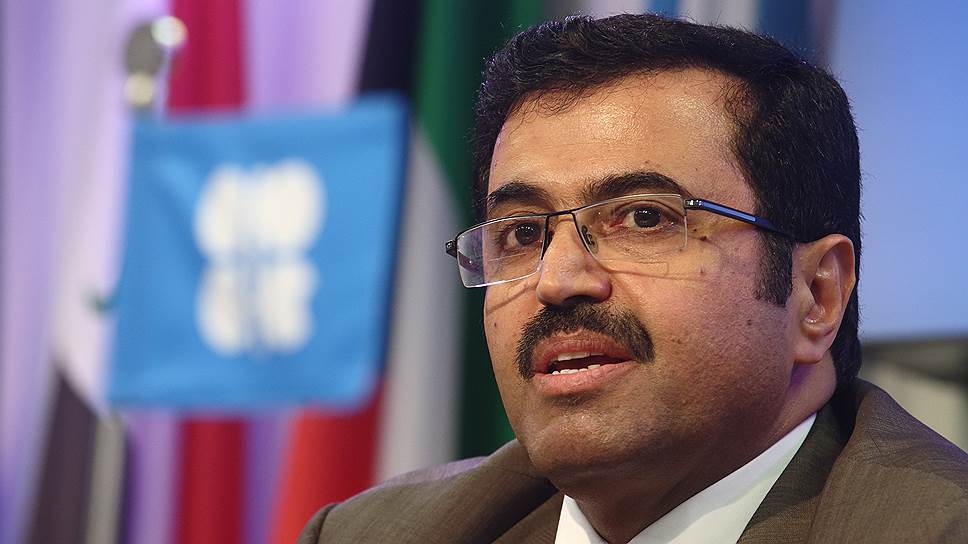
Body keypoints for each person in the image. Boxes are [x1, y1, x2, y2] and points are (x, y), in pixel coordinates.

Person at [299, 13, 968, 543]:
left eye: (644, 218)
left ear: (816, 294)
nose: (557, 280)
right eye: (522, 233)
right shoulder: (374, 534)